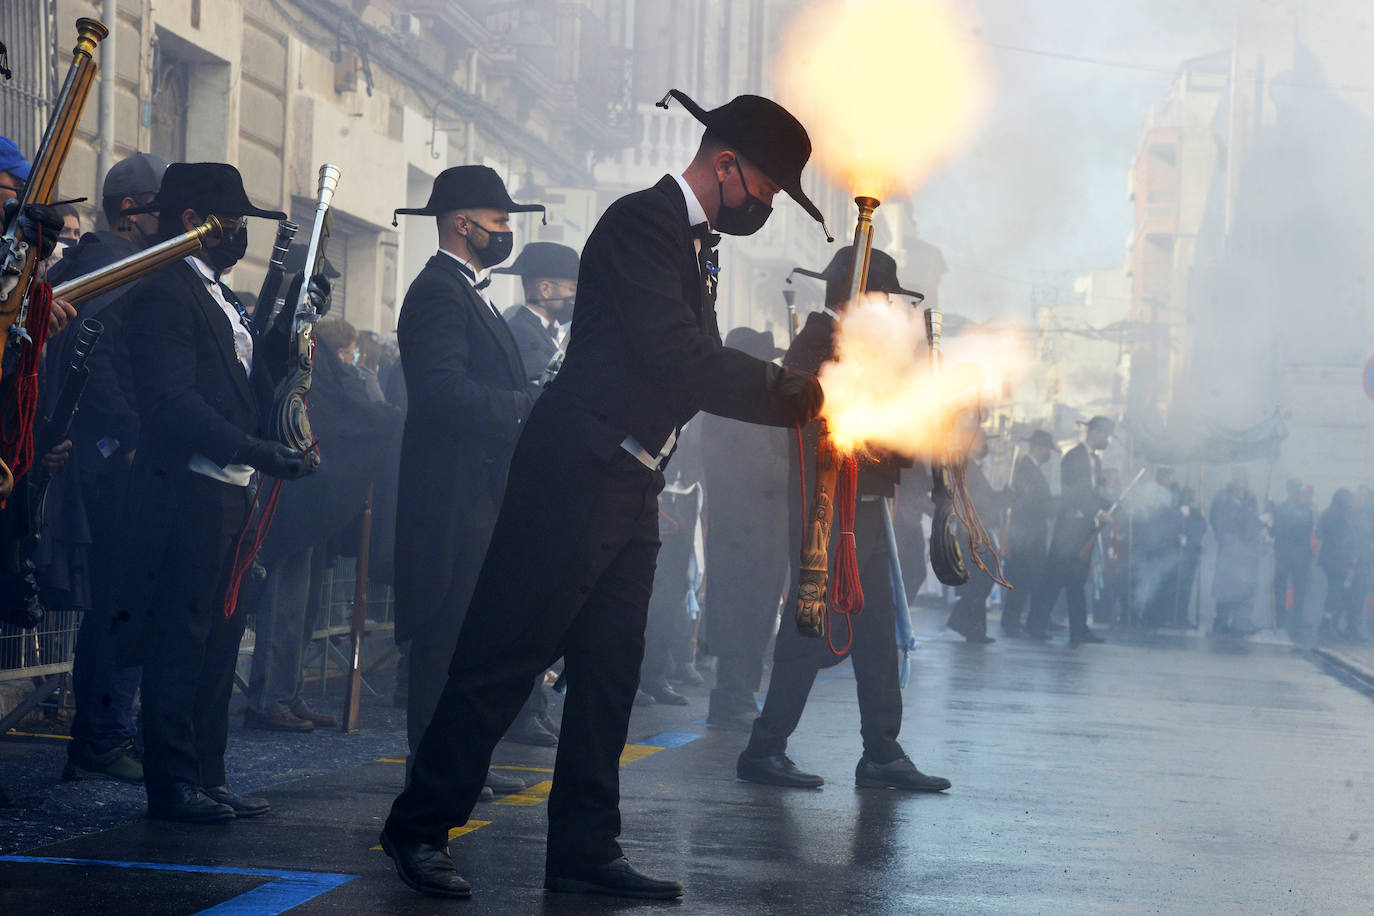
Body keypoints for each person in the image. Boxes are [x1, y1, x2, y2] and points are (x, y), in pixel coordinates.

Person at [379, 91, 826, 901]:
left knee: (610, 670)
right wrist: (786, 392)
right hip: (575, 472)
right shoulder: (641, 223)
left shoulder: (694, 243)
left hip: (630, 476)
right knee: (504, 656)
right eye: (763, 190)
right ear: (725, 165)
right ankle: (417, 827)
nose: (764, 207)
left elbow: (691, 361)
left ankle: (585, 845)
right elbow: (678, 355)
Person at [115, 162, 319, 824]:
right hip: (187, 492)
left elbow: (248, 386)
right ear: (191, 222)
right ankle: (172, 781)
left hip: (227, 490)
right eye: (231, 223)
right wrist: (255, 449)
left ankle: (208, 771)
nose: (239, 236)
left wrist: (288, 329)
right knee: (182, 639)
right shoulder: (165, 292)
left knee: (219, 638)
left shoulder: (216, 294)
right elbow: (174, 400)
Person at [737, 245, 950, 794]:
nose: (893, 311)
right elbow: (810, 417)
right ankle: (765, 747)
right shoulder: (816, 342)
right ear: (862, 300)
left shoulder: (861, 347)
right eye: (884, 298)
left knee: (877, 629)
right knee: (811, 625)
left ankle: (882, 750)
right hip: (827, 507)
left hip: (867, 507)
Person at [388, 165, 544, 788]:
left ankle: (460, 764)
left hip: (479, 495)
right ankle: (433, 771)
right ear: (463, 223)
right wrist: (523, 406)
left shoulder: (469, 293)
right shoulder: (437, 293)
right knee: (443, 642)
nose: (506, 232)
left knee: (469, 644)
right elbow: (441, 394)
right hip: (451, 501)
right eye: (500, 221)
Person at [45, 152, 169, 783]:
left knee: (123, 602)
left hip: (111, 461)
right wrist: (128, 435)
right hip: (108, 466)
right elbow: (99, 360)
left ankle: (107, 732)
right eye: (162, 206)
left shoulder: (116, 264)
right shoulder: (110, 267)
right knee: (119, 602)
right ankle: (100, 736)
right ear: (131, 209)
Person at [245, 317, 403, 731]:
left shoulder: (318, 357)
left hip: (313, 497)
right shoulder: (296, 351)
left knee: (304, 607)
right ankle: (270, 699)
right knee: (285, 605)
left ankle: (286, 693)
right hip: (293, 497)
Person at [700, 327, 790, 731]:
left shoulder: (749, 407)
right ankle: (732, 695)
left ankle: (739, 692)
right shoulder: (735, 410)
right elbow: (761, 471)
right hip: (744, 533)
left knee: (755, 615)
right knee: (741, 615)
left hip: (760, 532)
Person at [1025, 416, 1113, 646]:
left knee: (1070, 580)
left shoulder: (1095, 461)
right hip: (1070, 528)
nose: (1107, 439)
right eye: (1105, 434)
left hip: (1082, 528)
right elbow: (1076, 493)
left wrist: (1104, 503)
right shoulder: (1074, 457)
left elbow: (1092, 491)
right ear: (1094, 433)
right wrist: (1097, 512)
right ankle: (1057, 627)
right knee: (1059, 578)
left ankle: (1072, 629)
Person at [946, 428, 1005, 643]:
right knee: (980, 579)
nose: (984, 445)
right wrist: (1003, 497)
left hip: (976, 529)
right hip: (971, 531)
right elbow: (980, 500)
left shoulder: (970, 466)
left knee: (980, 580)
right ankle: (967, 624)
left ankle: (971, 627)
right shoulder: (966, 466)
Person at [497, 241, 579, 383]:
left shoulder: (541, 328)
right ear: (545, 290)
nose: (576, 295)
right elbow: (546, 387)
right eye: (572, 289)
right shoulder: (523, 332)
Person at [1000, 429, 1056, 636]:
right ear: (1039, 448)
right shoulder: (1026, 469)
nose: (1049, 453)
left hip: (1029, 533)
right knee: (1024, 579)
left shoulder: (1030, 469)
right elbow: (1030, 501)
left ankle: (1019, 621)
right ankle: (1016, 622)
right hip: (1026, 533)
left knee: (1024, 579)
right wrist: (1052, 505)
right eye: (1047, 449)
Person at [1209, 468, 1262, 636]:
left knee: (1241, 588)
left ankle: (1239, 622)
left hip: (1241, 552)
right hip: (1232, 550)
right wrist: (1251, 506)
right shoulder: (1225, 499)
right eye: (1243, 481)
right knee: (1229, 588)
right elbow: (1242, 524)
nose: (1245, 484)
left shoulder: (1238, 500)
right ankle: (1222, 622)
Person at [1271, 478, 1314, 632]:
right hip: (1288, 553)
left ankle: (1293, 619)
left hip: (1294, 553)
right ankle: (1283, 618)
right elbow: (1274, 530)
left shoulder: (1298, 509)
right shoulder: (1283, 508)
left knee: (1298, 589)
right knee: (1284, 588)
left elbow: (1304, 530)